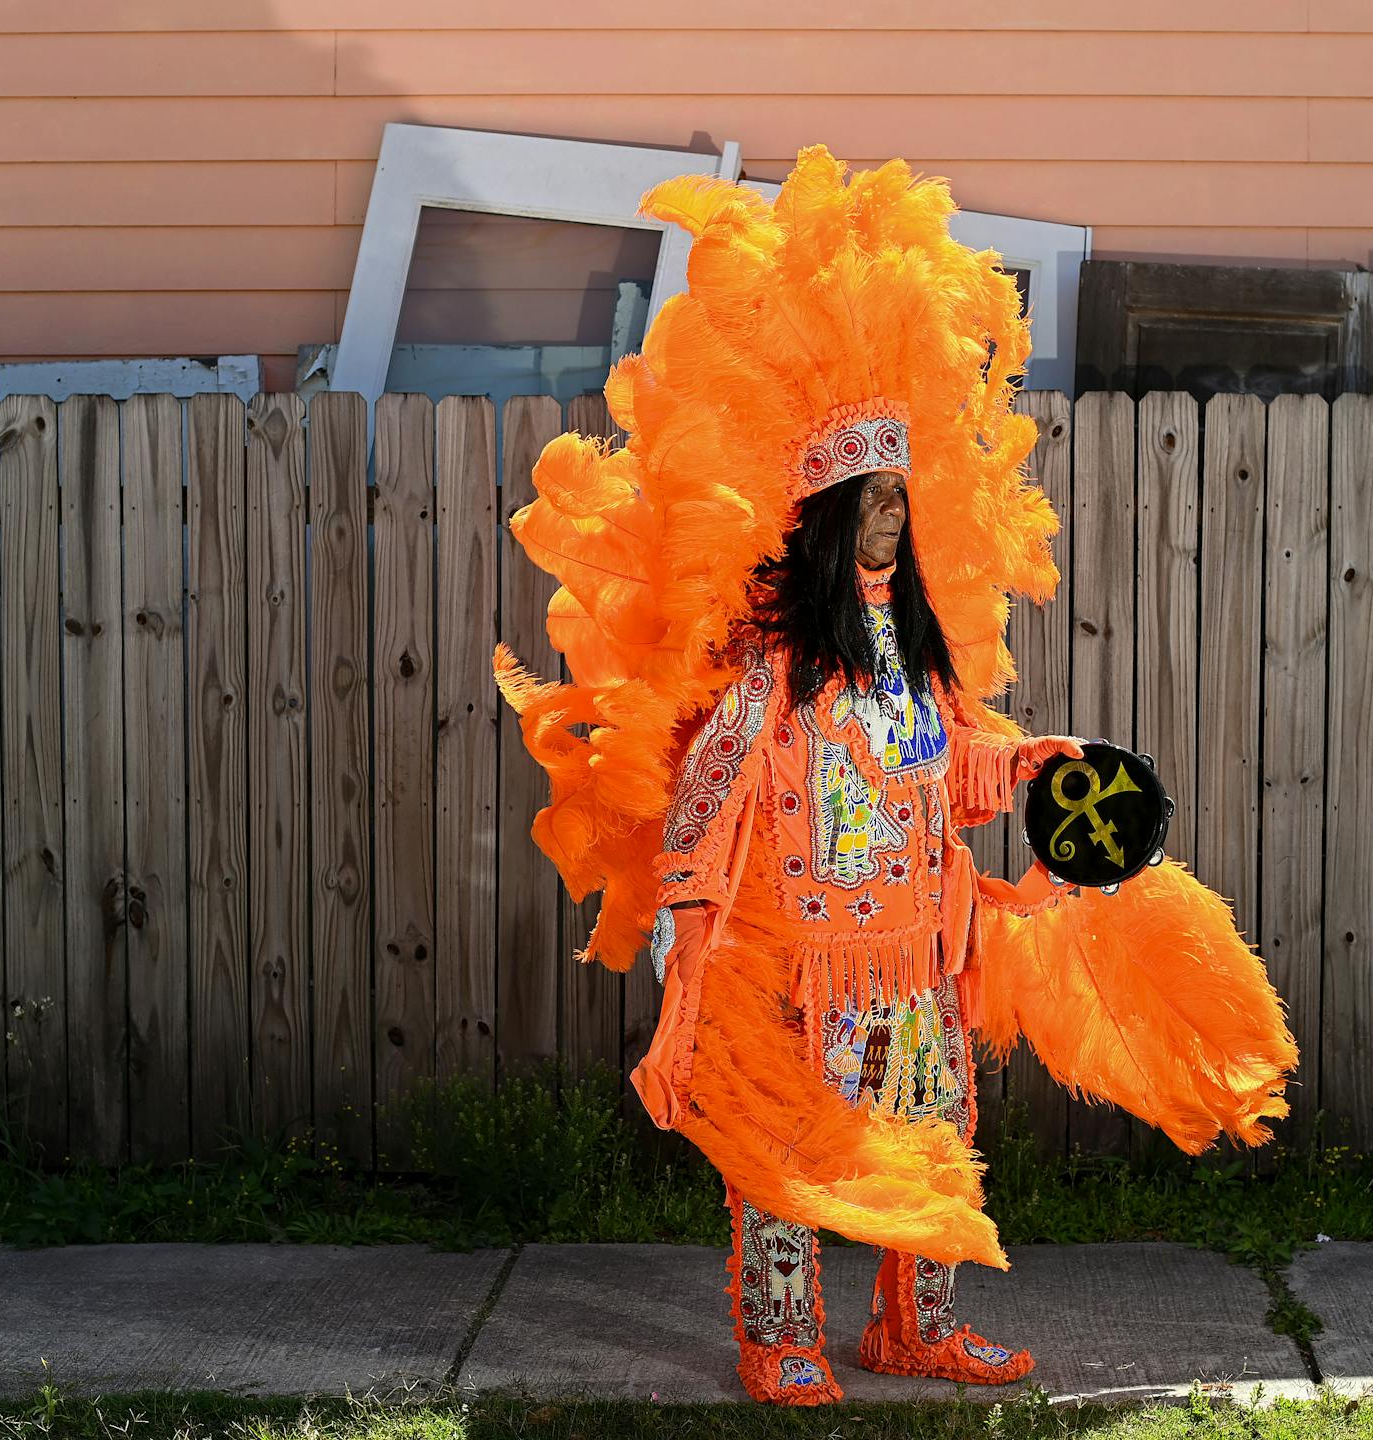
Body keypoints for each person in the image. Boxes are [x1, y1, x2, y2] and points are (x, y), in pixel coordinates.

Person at [497, 146, 1297, 1407]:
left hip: (918, 951)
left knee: (934, 1131)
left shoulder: (915, 655)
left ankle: (915, 1332)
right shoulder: (772, 661)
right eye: (868, 498)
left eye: (898, 496)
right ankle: (780, 1338)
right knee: (788, 1149)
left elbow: (947, 768)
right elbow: (708, 788)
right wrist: (690, 930)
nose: (888, 515)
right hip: (800, 957)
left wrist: (1027, 760)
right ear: (825, 514)